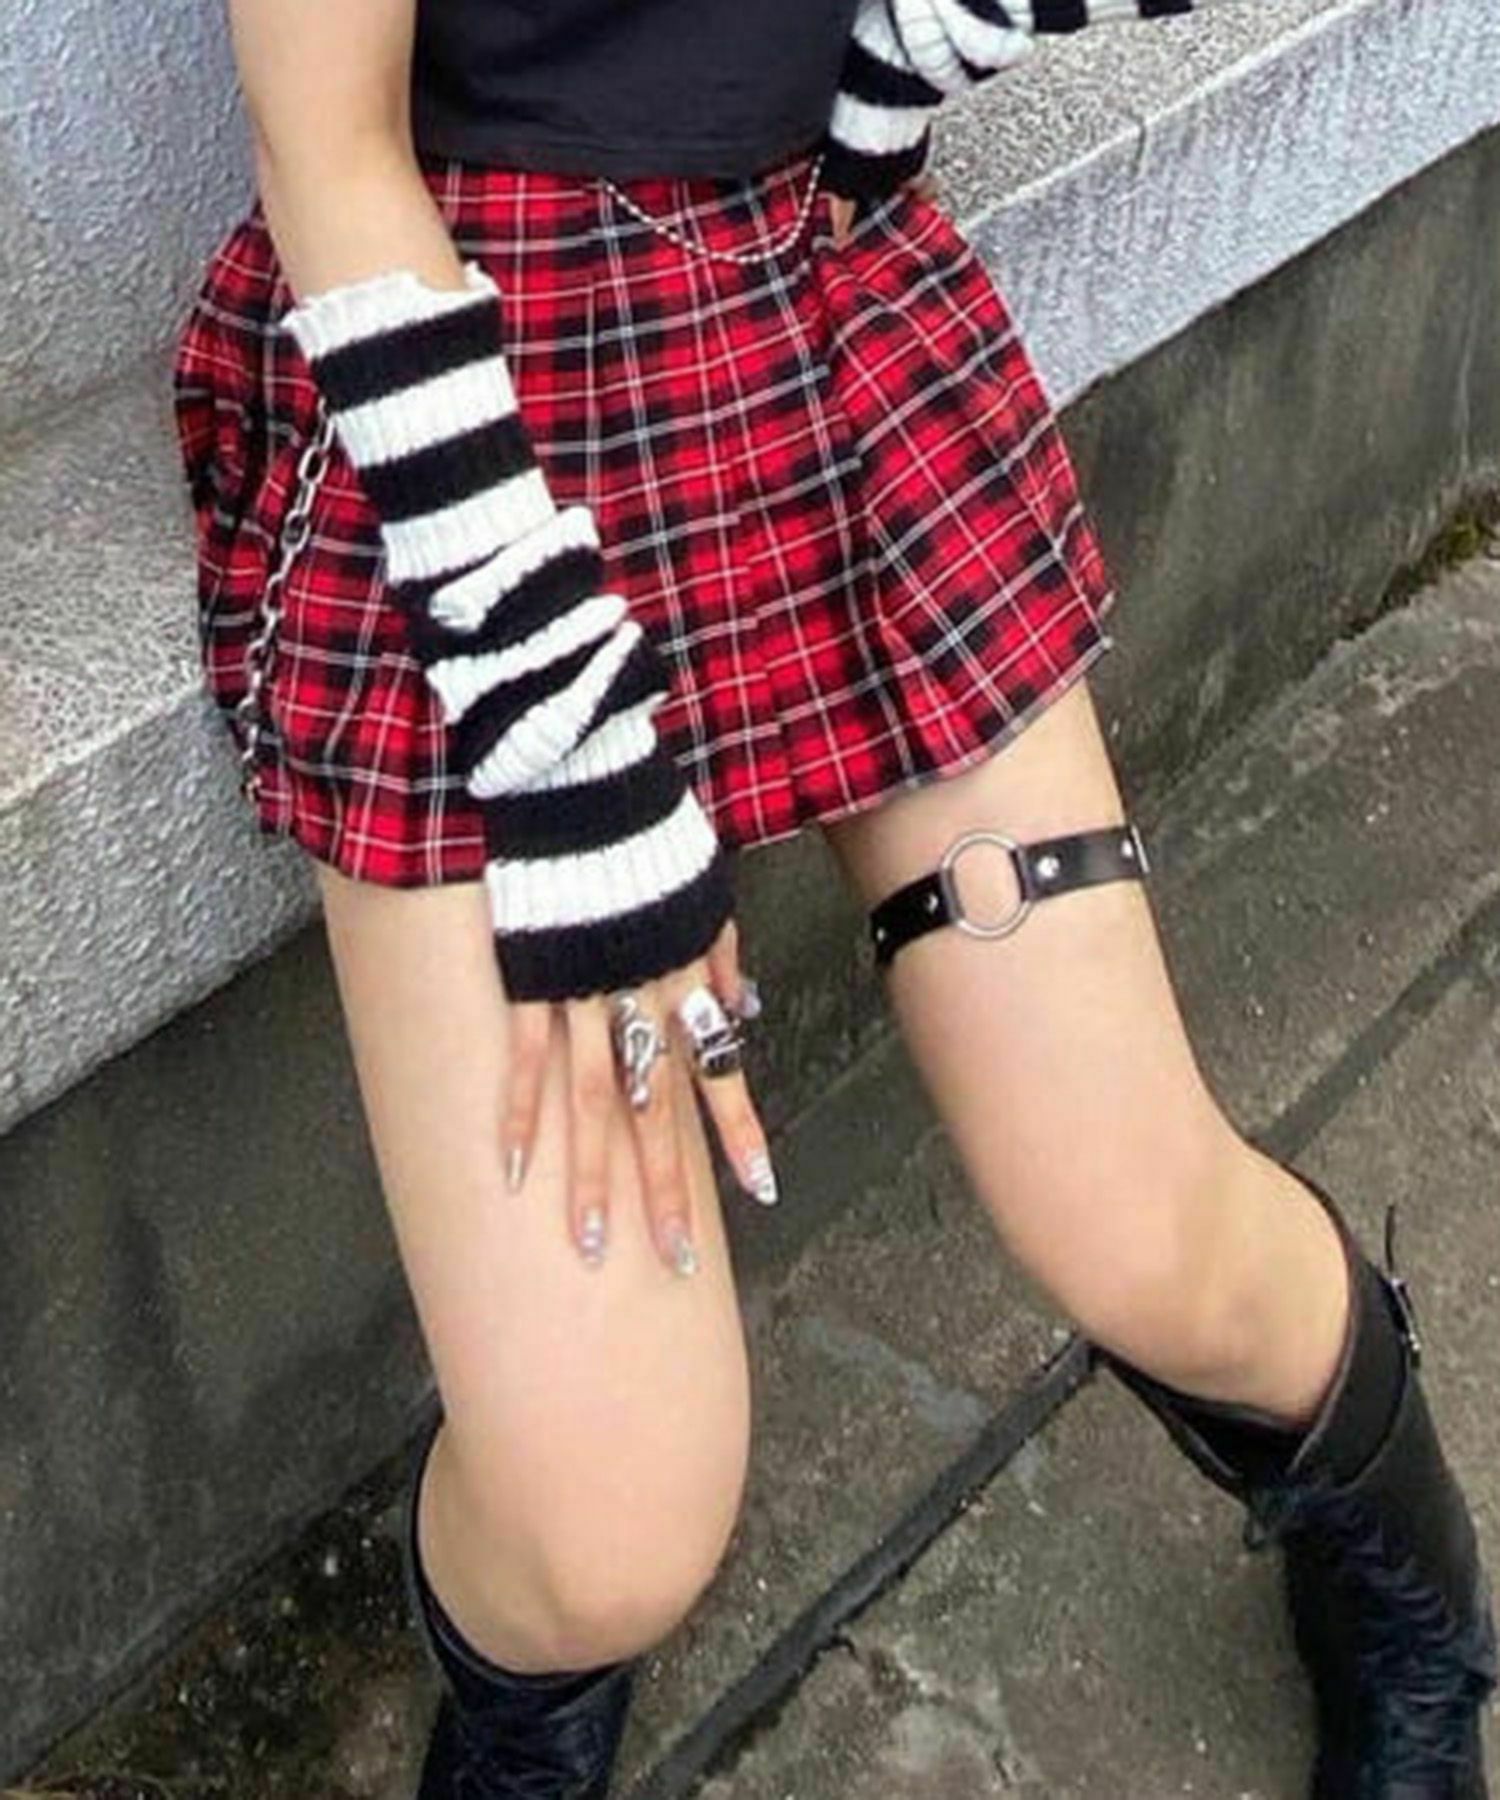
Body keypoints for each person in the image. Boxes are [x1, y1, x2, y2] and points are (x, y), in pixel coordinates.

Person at [172, 0, 1496, 1794]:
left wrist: (918, 39)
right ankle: (523, 1719)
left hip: (820, 306)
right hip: (462, 376)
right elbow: (326, 149)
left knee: (1146, 1231)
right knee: (603, 1528)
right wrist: (575, 775)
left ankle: (1414, 1589)